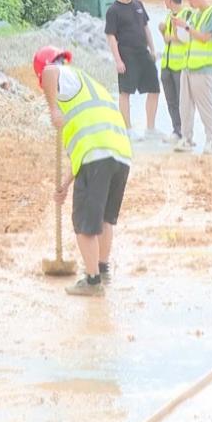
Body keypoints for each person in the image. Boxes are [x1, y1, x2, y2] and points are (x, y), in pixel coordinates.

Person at [34, 46, 132, 297]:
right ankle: (102, 269)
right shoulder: (89, 87)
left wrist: (53, 109)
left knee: (84, 223)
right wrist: (66, 184)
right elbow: (84, 151)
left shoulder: (64, 74)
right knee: (104, 219)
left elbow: (49, 70)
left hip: (98, 156)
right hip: (119, 155)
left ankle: (92, 281)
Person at [104, 0, 160, 140]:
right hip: (126, 54)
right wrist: (118, 60)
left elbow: (146, 28)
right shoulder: (113, 10)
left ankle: (150, 129)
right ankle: (127, 129)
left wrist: (153, 49)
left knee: (154, 88)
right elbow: (111, 37)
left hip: (143, 52)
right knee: (125, 91)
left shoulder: (138, 5)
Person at [173, 0, 212, 155]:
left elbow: (204, 37)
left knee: (205, 105)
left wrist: (185, 26)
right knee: (185, 105)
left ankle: (211, 141)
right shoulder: (194, 16)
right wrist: (177, 26)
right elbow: (185, 38)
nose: (189, 2)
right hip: (188, 66)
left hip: (204, 67)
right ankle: (186, 138)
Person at [158, 0, 193, 143]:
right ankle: (176, 130)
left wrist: (171, 37)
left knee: (182, 102)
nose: (164, 1)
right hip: (167, 64)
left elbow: (187, 38)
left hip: (180, 65)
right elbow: (167, 37)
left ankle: (185, 133)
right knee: (171, 100)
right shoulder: (168, 16)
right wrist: (163, 31)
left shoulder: (187, 15)